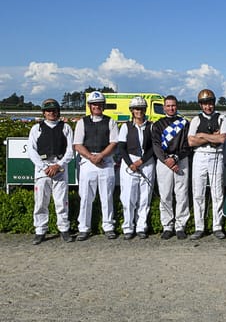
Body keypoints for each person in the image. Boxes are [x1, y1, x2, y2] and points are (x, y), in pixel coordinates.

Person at [27, 98, 75, 245]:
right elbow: (31, 151)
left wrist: (58, 165)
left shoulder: (65, 127)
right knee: (41, 201)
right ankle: (40, 230)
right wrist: (44, 167)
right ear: (44, 113)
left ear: (58, 112)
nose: (51, 113)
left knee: (61, 201)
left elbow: (70, 150)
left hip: (59, 168)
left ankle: (64, 229)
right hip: (43, 169)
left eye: (54, 110)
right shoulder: (36, 128)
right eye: (48, 111)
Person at [74, 91, 119, 241]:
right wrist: (91, 157)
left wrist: (101, 156)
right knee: (86, 196)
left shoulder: (110, 121)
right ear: (89, 106)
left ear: (103, 105)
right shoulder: (82, 122)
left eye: (99, 104)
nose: (97, 106)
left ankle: (108, 226)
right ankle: (84, 228)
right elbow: (78, 145)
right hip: (87, 162)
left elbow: (114, 143)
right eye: (94, 104)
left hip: (105, 161)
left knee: (106, 196)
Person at [188, 89, 226, 240]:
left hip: (216, 156)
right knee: (198, 193)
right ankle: (199, 227)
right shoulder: (196, 120)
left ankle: (217, 226)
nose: (208, 106)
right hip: (199, 156)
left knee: (217, 193)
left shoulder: (221, 118)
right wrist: (212, 137)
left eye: (210, 103)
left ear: (214, 103)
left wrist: (202, 135)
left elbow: (222, 139)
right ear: (201, 105)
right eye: (205, 104)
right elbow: (191, 141)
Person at [151, 95, 191, 240]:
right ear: (164, 107)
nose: (171, 108)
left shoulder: (185, 123)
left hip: (181, 160)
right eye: (168, 106)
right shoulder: (157, 125)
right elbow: (155, 145)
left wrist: (175, 158)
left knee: (182, 194)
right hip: (163, 163)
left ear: (177, 106)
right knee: (165, 194)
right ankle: (167, 225)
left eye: (173, 105)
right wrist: (166, 159)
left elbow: (188, 145)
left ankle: (180, 225)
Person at [118, 96, 155, 240]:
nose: (138, 111)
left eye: (141, 108)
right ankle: (128, 227)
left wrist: (141, 162)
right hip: (130, 162)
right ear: (132, 111)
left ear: (145, 110)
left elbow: (153, 147)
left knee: (145, 197)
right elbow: (121, 148)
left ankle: (141, 226)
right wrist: (131, 164)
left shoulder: (151, 126)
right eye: (136, 109)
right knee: (128, 197)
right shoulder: (126, 126)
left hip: (146, 162)